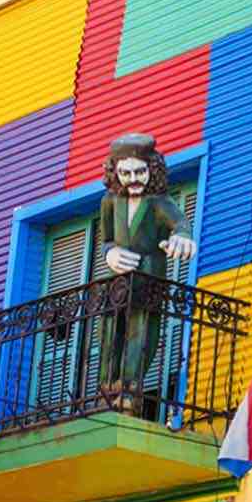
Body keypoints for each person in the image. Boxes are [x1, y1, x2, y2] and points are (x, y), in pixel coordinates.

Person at [97, 134, 196, 412]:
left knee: (141, 335)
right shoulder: (109, 202)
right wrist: (110, 254)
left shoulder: (157, 203)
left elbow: (180, 224)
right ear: (115, 172)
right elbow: (106, 240)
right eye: (125, 173)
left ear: (151, 169)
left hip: (149, 277)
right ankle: (106, 390)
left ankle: (130, 390)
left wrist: (182, 238)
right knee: (110, 333)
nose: (133, 178)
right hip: (117, 280)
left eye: (139, 171)